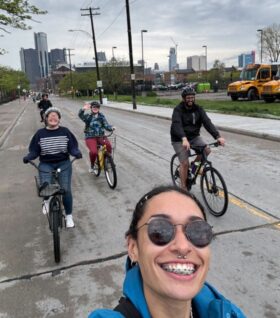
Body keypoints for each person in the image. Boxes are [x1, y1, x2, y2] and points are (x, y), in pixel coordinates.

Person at [88, 185, 246, 318]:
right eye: (160, 230)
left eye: (198, 230)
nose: (183, 246)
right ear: (133, 248)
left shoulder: (226, 312)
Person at [23, 107, 82, 228]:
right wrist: (29, 156)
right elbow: (34, 150)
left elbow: (72, 147)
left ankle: (69, 216)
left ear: (59, 119)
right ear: (46, 119)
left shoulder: (65, 131)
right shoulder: (40, 134)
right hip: (46, 163)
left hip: (63, 163)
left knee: (66, 190)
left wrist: (76, 152)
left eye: (56, 116)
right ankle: (46, 200)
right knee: (45, 185)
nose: (53, 117)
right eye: (50, 116)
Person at [170, 87, 225, 189]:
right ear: (183, 99)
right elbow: (177, 124)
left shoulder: (199, 109)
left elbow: (207, 123)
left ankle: (193, 168)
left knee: (206, 150)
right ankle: (183, 188)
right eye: (188, 98)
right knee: (184, 163)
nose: (190, 99)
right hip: (179, 138)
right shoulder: (178, 110)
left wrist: (218, 136)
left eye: (192, 97)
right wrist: (183, 138)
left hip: (193, 137)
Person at [78, 101, 114, 172]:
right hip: (90, 137)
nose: (95, 108)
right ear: (91, 108)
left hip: (101, 136)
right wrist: (83, 109)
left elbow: (106, 125)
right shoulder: (88, 116)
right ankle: (92, 165)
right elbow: (80, 115)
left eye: (97, 107)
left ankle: (108, 160)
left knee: (108, 145)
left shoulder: (101, 116)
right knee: (94, 152)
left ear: (99, 108)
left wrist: (111, 128)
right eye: (94, 107)